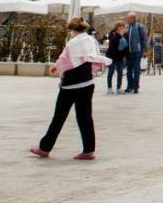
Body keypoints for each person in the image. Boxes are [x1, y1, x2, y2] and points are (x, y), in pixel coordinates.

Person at [31, 17, 110, 160]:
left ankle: (44, 148)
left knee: (59, 117)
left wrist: (55, 68)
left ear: (72, 30)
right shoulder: (90, 40)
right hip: (87, 82)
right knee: (85, 117)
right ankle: (88, 150)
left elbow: (64, 60)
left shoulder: (72, 43)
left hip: (71, 85)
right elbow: (94, 57)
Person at [123, 12, 148, 94]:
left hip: (137, 52)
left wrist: (144, 50)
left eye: (128, 18)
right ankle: (129, 86)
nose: (127, 19)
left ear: (133, 18)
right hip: (128, 53)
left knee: (136, 70)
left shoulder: (139, 27)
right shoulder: (126, 27)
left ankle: (136, 87)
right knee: (129, 70)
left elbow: (144, 39)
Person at [104, 22, 127, 94]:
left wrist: (124, 56)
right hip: (112, 56)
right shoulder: (112, 33)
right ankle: (109, 88)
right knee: (111, 71)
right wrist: (120, 35)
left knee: (120, 72)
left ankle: (119, 88)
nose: (121, 27)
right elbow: (113, 43)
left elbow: (125, 46)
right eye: (120, 26)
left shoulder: (125, 35)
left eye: (123, 26)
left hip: (120, 57)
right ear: (117, 27)